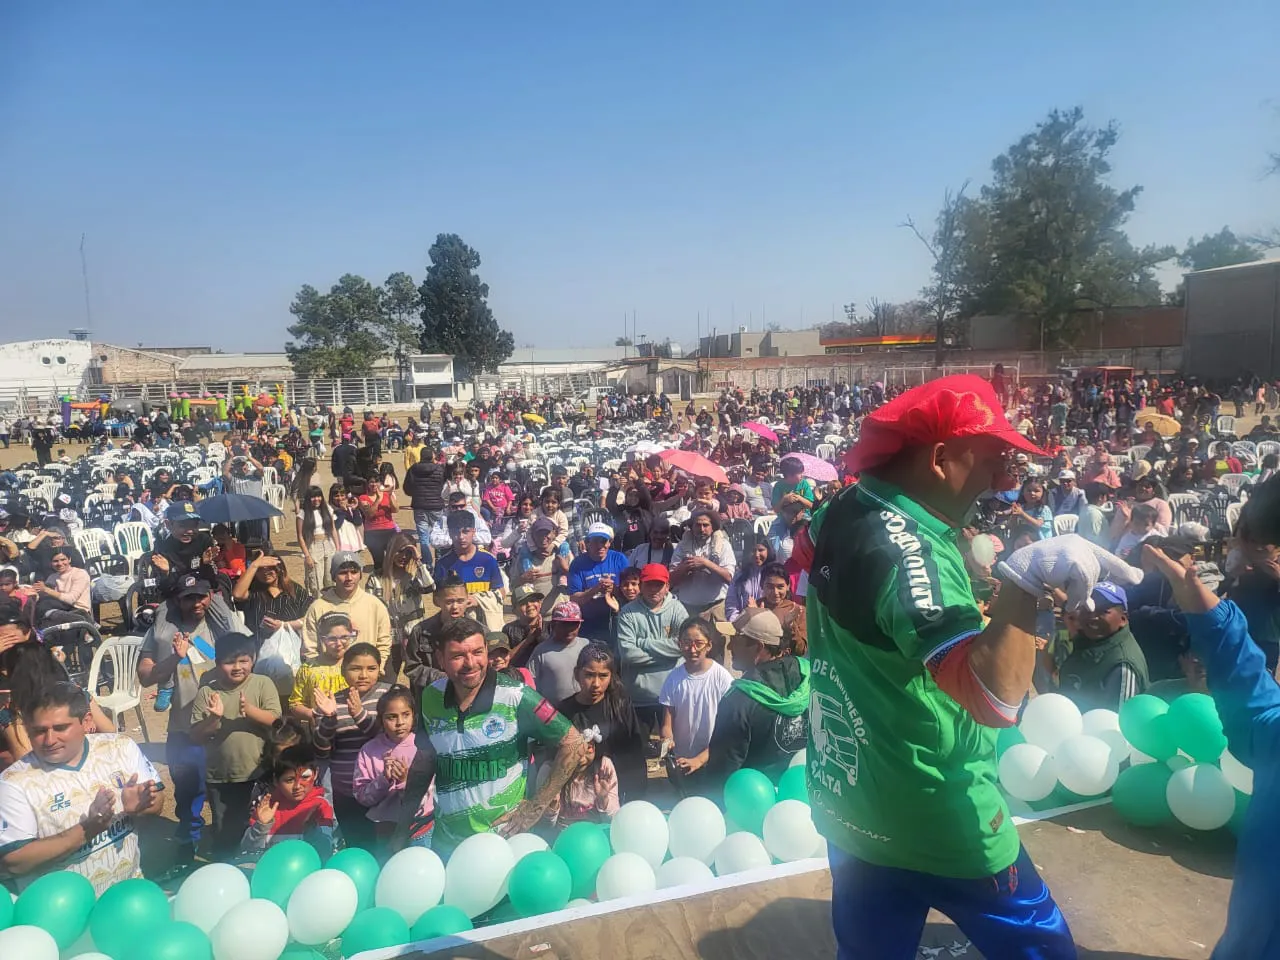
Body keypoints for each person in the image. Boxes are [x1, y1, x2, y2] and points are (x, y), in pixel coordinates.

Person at [807, 374, 1119, 958]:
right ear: (942, 457)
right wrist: (1022, 584)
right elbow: (995, 699)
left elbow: (827, 568)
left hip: (849, 805)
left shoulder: (847, 505)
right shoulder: (914, 553)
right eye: (994, 459)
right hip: (939, 815)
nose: (1003, 480)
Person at [393, 617, 584, 854]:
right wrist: (402, 829)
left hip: (504, 843)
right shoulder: (431, 698)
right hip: (448, 842)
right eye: (457, 656)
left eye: (477, 652)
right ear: (440, 659)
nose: (470, 663)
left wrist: (536, 806)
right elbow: (424, 762)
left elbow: (574, 743)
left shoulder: (516, 696)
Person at [0, 681, 164, 893]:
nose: (49, 740)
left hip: (129, 896)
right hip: (61, 916)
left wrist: (141, 806)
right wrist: (87, 830)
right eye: (39, 731)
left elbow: (158, 803)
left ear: (86, 721)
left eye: (60, 728)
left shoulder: (120, 748)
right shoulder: (13, 783)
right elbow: (14, 861)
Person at [136, 574, 237, 867]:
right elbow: (145, 677)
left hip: (221, 725)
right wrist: (173, 658)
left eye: (202, 596)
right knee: (188, 792)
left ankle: (224, 848)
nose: (197, 603)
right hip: (182, 727)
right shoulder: (162, 631)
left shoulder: (220, 624)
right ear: (176, 600)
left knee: (225, 792)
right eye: (188, 597)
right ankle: (187, 846)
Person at [188, 632, 283, 859]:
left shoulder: (262, 684)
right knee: (225, 829)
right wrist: (214, 719)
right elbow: (195, 737)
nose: (237, 667)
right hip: (221, 778)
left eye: (244, 660)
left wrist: (249, 711)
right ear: (218, 663)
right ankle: (227, 868)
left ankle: (256, 864)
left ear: (253, 659)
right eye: (229, 662)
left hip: (259, 773)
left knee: (261, 824)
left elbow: (276, 722)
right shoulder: (207, 692)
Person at [709, 609, 810, 780]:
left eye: (735, 640)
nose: (729, 646)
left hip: (756, 801)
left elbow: (722, 772)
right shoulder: (810, 678)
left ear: (758, 647)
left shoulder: (737, 700)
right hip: (807, 795)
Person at [312, 641, 388, 850]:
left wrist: (360, 716)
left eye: (371, 668)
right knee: (358, 847)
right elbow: (321, 750)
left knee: (386, 848)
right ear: (343, 671)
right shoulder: (331, 702)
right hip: (347, 792)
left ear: (379, 670)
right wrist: (328, 719)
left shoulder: (389, 696)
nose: (363, 675)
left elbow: (389, 740)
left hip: (385, 792)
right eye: (355, 668)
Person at [555, 643, 647, 802]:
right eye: (589, 675)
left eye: (603, 676)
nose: (596, 684)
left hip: (615, 790)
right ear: (577, 674)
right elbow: (558, 757)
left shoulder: (620, 706)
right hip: (578, 797)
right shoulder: (565, 711)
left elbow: (634, 752)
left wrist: (635, 795)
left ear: (611, 676)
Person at [659, 618, 733, 792]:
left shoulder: (722, 678)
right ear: (679, 644)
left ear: (709, 645)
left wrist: (700, 759)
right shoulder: (673, 679)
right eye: (686, 643)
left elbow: (728, 729)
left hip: (713, 759)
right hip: (683, 761)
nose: (692, 649)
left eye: (698, 643)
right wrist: (667, 741)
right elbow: (667, 724)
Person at [353, 686, 434, 844]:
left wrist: (405, 782)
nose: (400, 723)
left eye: (405, 715)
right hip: (386, 830)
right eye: (391, 717)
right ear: (381, 720)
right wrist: (384, 779)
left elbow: (428, 797)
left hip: (419, 829)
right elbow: (362, 796)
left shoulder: (424, 747)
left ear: (414, 716)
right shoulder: (369, 751)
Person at [615, 563, 688, 738]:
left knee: (674, 748)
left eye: (659, 584)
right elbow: (628, 654)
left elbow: (682, 645)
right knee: (640, 751)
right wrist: (668, 657)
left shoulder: (678, 609)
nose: (653, 589)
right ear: (641, 585)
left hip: (673, 693)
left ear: (667, 586)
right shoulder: (627, 613)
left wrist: (643, 642)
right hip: (639, 696)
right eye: (649, 584)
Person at [1057, 582, 1149, 712]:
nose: (1092, 616)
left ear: (1123, 619)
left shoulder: (1122, 665)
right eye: (1087, 609)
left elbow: (1119, 723)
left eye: (1103, 611)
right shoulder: (1087, 642)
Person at [237, 744, 336, 862]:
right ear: (276, 780)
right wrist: (261, 826)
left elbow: (325, 850)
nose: (297, 786)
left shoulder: (320, 806)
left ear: (315, 774)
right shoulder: (267, 807)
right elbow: (247, 849)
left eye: (305, 777)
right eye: (289, 780)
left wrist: (312, 831)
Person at [301, 552, 393, 666]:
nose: (349, 578)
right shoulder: (318, 607)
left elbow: (384, 643)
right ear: (334, 576)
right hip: (328, 678)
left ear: (360, 574)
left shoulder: (375, 605)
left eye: (354, 572)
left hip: (364, 677)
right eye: (343, 573)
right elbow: (309, 647)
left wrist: (376, 667)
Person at [366, 532, 434, 678]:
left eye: (408, 552)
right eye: (399, 551)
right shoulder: (376, 579)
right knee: (386, 682)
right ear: (390, 551)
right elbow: (370, 611)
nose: (404, 556)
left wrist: (418, 560)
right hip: (389, 638)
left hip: (415, 636)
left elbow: (430, 588)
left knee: (419, 683)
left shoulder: (414, 576)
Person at [536, 719, 620, 827]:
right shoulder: (549, 772)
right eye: (572, 751)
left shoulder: (603, 769)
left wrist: (603, 799)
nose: (581, 760)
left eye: (588, 748)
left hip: (597, 836)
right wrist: (552, 805)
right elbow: (544, 828)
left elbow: (614, 822)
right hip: (563, 838)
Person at [233, 548, 313, 647]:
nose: (265, 572)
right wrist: (254, 565)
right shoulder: (253, 592)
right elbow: (237, 594)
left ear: (279, 568)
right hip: (259, 650)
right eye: (260, 569)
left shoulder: (294, 590)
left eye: (270, 568)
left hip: (290, 650)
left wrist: (284, 626)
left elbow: (310, 618)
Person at [289, 610, 357, 723]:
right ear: (322, 639)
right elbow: (295, 704)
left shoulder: (358, 666)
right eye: (332, 639)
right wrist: (315, 714)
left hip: (353, 730)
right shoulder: (309, 669)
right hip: (321, 731)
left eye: (344, 637)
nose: (339, 643)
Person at [403, 576, 466, 696]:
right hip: (431, 696)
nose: (455, 607)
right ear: (437, 601)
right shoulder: (420, 631)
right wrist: (443, 678)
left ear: (468, 600)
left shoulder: (479, 632)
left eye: (460, 601)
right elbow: (411, 667)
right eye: (449, 601)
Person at [669, 508, 737, 619]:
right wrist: (686, 567)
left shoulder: (724, 545)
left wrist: (706, 563)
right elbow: (670, 581)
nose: (701, 529)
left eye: (705, 525)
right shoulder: (682, 546)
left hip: (715, 606)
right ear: (691, 527)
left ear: (713, 527)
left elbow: (729, 578)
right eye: (697, 525)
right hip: (686, 607)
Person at [567, 521, 630, 641]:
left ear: (609, 543)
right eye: (595, 541)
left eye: (603, 541)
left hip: (617, 618)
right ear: (587, 543)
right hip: (589, 622)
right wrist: (595, 589)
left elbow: (631, 592)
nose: (600, 545)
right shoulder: (577, 564)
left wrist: (614, 590)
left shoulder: (619, 559)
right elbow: (574, 599)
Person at [527, 602, 592, 702]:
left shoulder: (586, 645)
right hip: (553, 713)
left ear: (579, 625)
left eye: (574, 624)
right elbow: (529, 682)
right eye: (563, 624)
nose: (569, 629)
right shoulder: (541, 651)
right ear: (553, 625)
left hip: (581, 710)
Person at [511, 516, 571, 602]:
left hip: (561, 612)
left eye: (547, 533)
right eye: (539, 533)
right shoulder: (524, 557)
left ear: (554, 533)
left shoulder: (565, 554)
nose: (543, 537)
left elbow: (579, 584)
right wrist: (522, 579)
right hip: (534, 612)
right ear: (532, 535)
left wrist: (566, 570)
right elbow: (512, 586)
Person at [296, 485, 339, 595]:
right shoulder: (303, 513)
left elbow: (333, 529)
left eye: (319, 496)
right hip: (313, 547)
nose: (317, 499)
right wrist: (307, 556)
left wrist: (338, 548)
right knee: (316, 580)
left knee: (330, 578)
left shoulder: (327, 509)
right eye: (313, 497)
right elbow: (300, 536)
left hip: (329, 544)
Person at [725, 538, 775, 622]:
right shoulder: (739, 575)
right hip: (742, 623)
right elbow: (731, 603)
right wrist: (736, 621)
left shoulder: (774, 573)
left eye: (761, 550)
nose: (756, 554)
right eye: (753, 550)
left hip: (768, 623)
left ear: (768, 551)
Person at [35, 546, 91, 614]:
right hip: (59, 609)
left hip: (78, 611)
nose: (60, 564)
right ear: (51, 563)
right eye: (55, 561)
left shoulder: (80, 574)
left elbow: (71, 599)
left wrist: (46, 589)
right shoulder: (52, 577)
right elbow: (45, 593)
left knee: (45, 605)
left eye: (63, 560)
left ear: (69, 559)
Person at [503, 583, 547, 669]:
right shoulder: (509, 629)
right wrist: (528, 639)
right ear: (514, 610)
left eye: (533, 600)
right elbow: (505, 661)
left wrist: (539, 636)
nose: (529, 605)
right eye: (523, 603)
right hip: (520, 676)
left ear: (540, 604)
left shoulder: (551, 627)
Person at [358, 475, 399, 567]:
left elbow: (396, 510)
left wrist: (390, 495)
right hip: (373, 533)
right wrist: (378, 499)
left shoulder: (386, 495)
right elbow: (369, 515)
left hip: (389, 530)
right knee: (379, 563)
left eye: (376, 482)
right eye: (371, 482)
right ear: (367, 484)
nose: (374, 484)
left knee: (393, 560)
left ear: (380, 484)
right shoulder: (363, 498)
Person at [1077, 482, 1114, 547]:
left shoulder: (1084, 509)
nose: (1106, 499)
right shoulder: (1094, 515)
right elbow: (1094, 542)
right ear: (1100, 497)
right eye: (1106, 496)